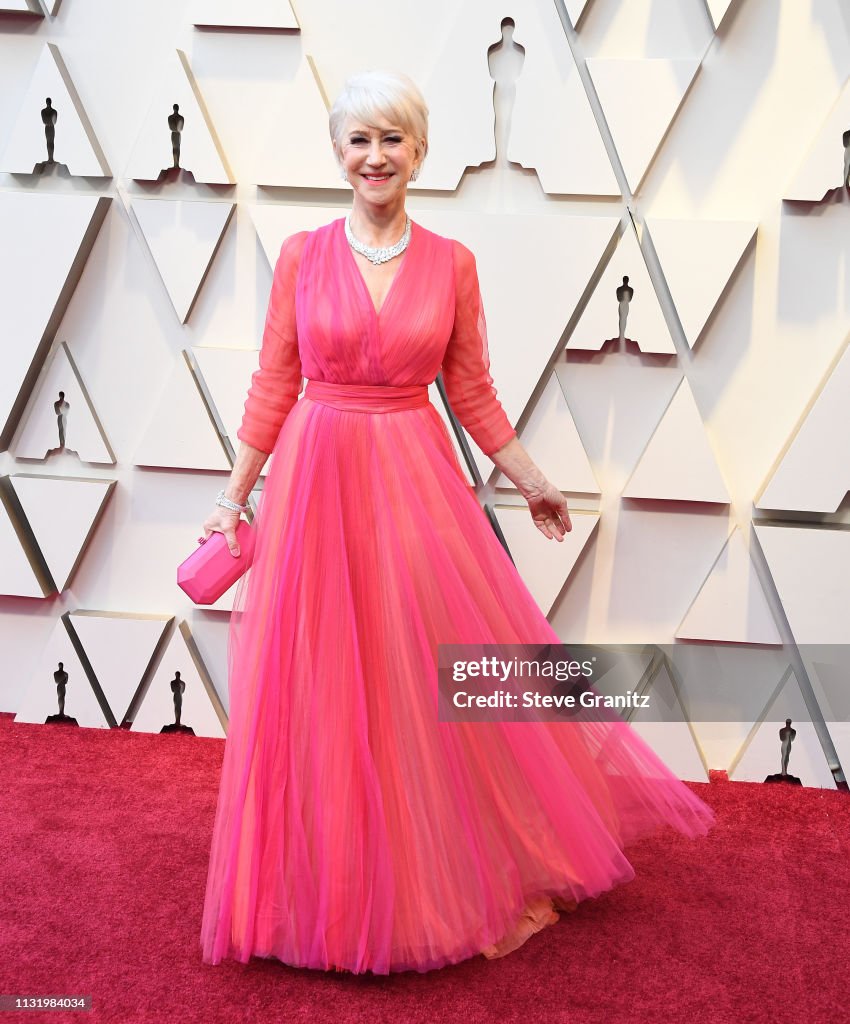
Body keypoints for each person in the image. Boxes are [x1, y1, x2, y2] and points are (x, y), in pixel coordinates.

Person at [198, 70, 715, 975]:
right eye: (359, 139)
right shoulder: (300, 256)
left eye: (392, 139)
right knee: (322, 681)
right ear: (336, 151)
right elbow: (274, 384)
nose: (375, 157)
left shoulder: (451, 264)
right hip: (316, 483)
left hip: (411, 479)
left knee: (412, 676)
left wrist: (532, 480)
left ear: (420, 152)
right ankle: (328, 882)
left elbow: (471, 389)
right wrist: (234, 496)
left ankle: (430, 876)